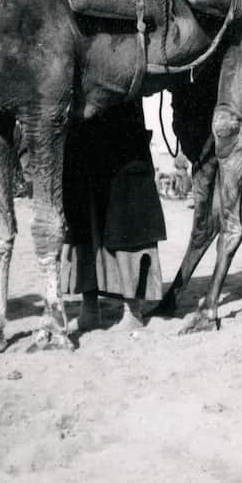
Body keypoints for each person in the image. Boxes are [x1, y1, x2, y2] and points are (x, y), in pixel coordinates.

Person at [62, 101, 166, 330]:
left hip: (122, 134)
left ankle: (133, 311)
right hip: (82, 134)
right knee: (83, 221)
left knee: (126, 222)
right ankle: (89, 309)